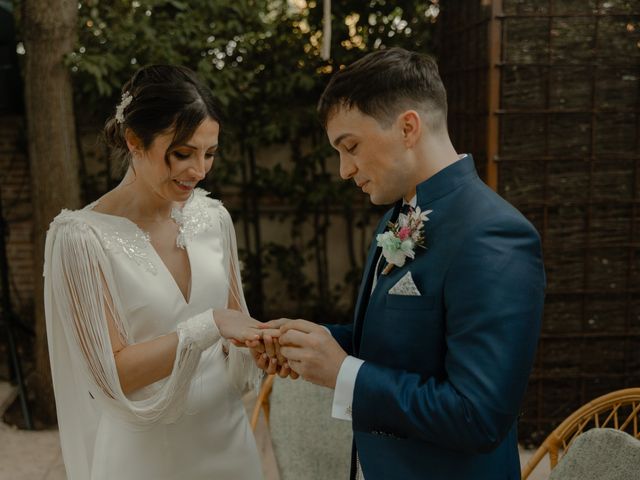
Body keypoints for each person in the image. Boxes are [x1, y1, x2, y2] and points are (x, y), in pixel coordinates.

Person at [251, 48, 546, 479]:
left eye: (349, 146)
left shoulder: (494, 236)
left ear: (408, 127)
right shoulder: (399, 215)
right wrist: (309, 343)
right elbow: (400, 345)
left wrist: (343, 373)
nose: (343, 170)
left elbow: (477, 416)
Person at [44, 65, 266, 480]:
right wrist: (210, 324)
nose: (199, 171)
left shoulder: (214, 218)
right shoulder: (82, 239)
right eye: (183, 153)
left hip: (227, 440)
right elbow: (115, 373)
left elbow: (236, 332)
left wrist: (266, 342)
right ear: (134, 141)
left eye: (210, 153)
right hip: (145, 453)